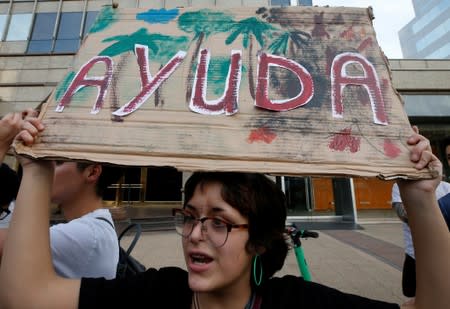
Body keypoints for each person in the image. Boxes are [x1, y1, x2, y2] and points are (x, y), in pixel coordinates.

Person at [0, 131, 449, 309]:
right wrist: (38, 167)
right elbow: (25, 294)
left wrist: (422, 200)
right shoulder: (158, 294)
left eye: (220, 222)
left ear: (258, 241)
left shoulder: (295, 303)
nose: (196, 234)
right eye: (190, 217)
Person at [0, 111, 122, 280]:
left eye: (56, 162)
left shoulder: (85, 235)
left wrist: (1, 144)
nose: (44, 167)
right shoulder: (91, 229)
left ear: (92, 172)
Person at [391, 180, 450, 301]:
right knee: (411, 290)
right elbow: (404, 214)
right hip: (415, 252)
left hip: (444, 252)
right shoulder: (401, 184)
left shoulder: (447, 187)